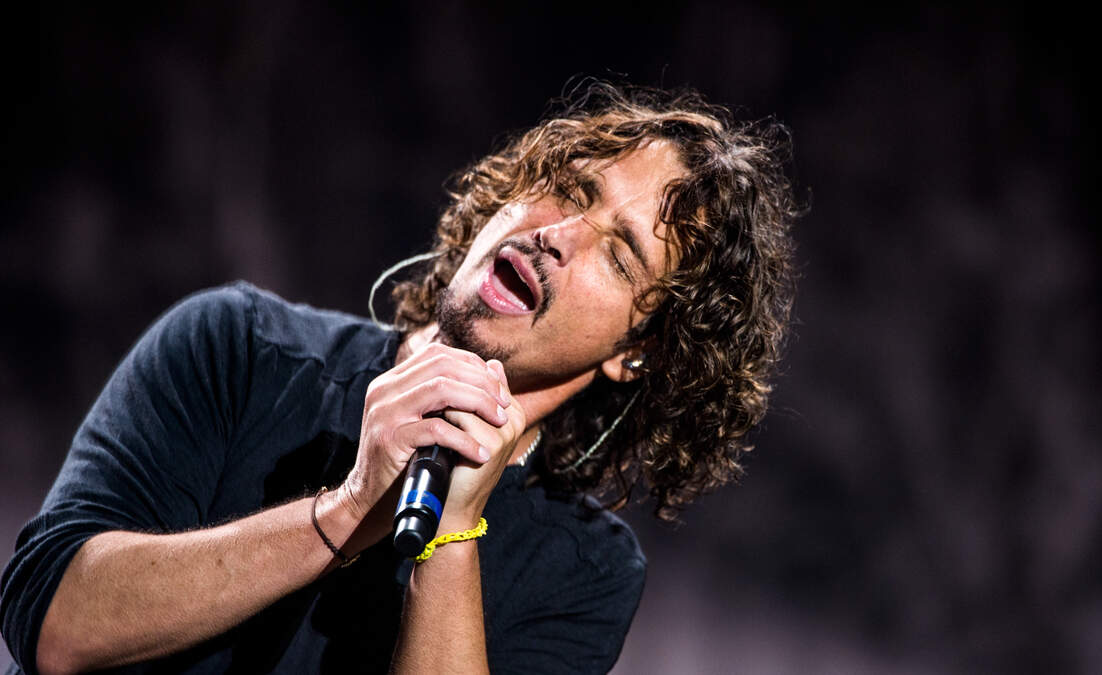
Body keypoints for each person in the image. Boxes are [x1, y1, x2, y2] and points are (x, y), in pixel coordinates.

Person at [1, 81, 799, 674]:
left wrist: (451, 534)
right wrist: (347, 509)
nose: (556, 233)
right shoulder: (238, 345)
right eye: (567, 187)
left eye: (618, 254)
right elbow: (55, 626)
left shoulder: (585, 571)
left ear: (641, 352)